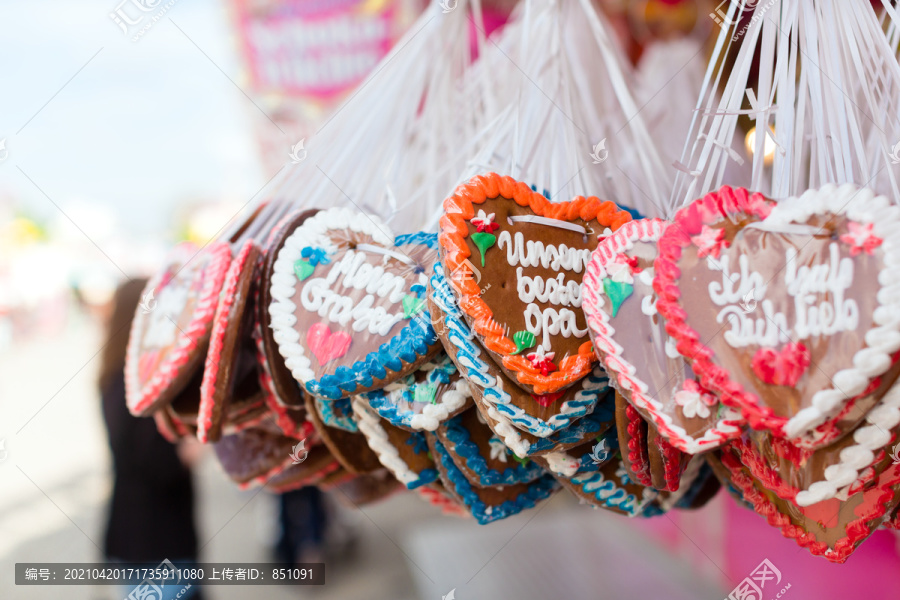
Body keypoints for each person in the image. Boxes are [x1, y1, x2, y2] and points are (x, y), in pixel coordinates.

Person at [98, 278, 203, 599]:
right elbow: (155, 463)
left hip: (139, 530)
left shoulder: (116, 374)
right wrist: (194, 447)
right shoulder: (136, 383)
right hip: (155, 536)